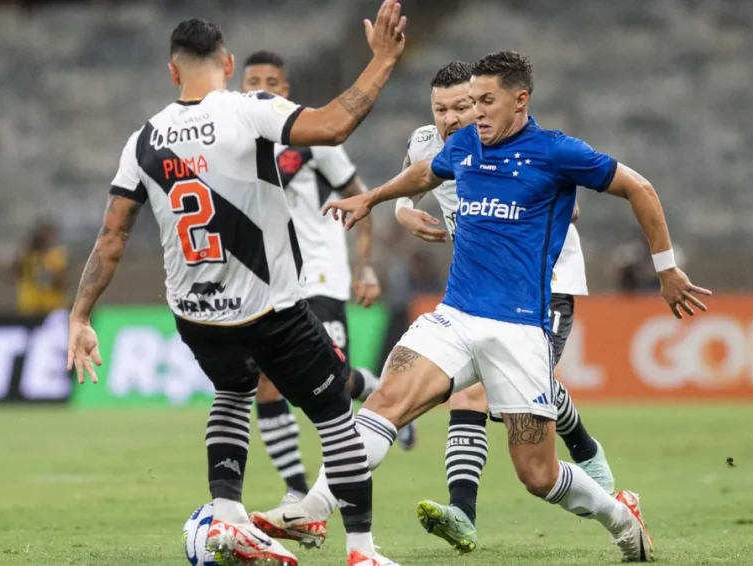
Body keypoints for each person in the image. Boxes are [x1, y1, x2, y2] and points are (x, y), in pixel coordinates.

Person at [255, 51, 712, 563]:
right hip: (455, 316)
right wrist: (377, 201)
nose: (475, 114)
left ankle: (621, 518)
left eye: (485, 102)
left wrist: (666, 268)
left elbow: (638, 187)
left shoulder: (557, 152)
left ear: (520, 100)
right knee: (385, 403)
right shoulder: (467, 144)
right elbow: (425, 173)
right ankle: (315, 506)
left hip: (519, 330)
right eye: (471, 102)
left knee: (537, 475)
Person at [64, 6, 408, 566]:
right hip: (270, 306)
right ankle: (362, 551)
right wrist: (384, 61)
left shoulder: (143, 140)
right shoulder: (251, 110)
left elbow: (110, 239)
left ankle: (227, 521)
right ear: (227, 64)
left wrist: (79, 317)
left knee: (232, 391)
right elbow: (333, 125)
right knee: (335, 419)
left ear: (173, 73)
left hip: (196, 314)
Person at [390, 60, 613, 554]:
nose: (450, 118)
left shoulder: (523, 148)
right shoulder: (428, 143)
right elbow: (405, 193)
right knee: (470, 395)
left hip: (543, 281)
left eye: (461, 107)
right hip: (481, 290)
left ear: (482, 102)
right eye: (440, 109)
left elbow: (568, 203)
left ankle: (584, 450)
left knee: (507, 398)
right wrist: (408, 216)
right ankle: (463, 515)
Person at [238, 50, 416, 506]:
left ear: (285, 90)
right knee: (267, 383)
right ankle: (296, 490)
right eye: (252, 80)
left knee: (331, 384)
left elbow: (360, 198)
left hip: (319, 274)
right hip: (271, 281)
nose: (260, 87)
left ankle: (378, 391)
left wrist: (366, 265)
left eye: (271, 82)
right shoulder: (234, 143)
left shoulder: (313, 137)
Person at [12, 221, 68, 315]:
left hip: (52, 306)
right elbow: (14, 272)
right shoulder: (28, 255)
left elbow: (63, 282)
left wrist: (49, 274)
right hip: (29, 306)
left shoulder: (56, 255)